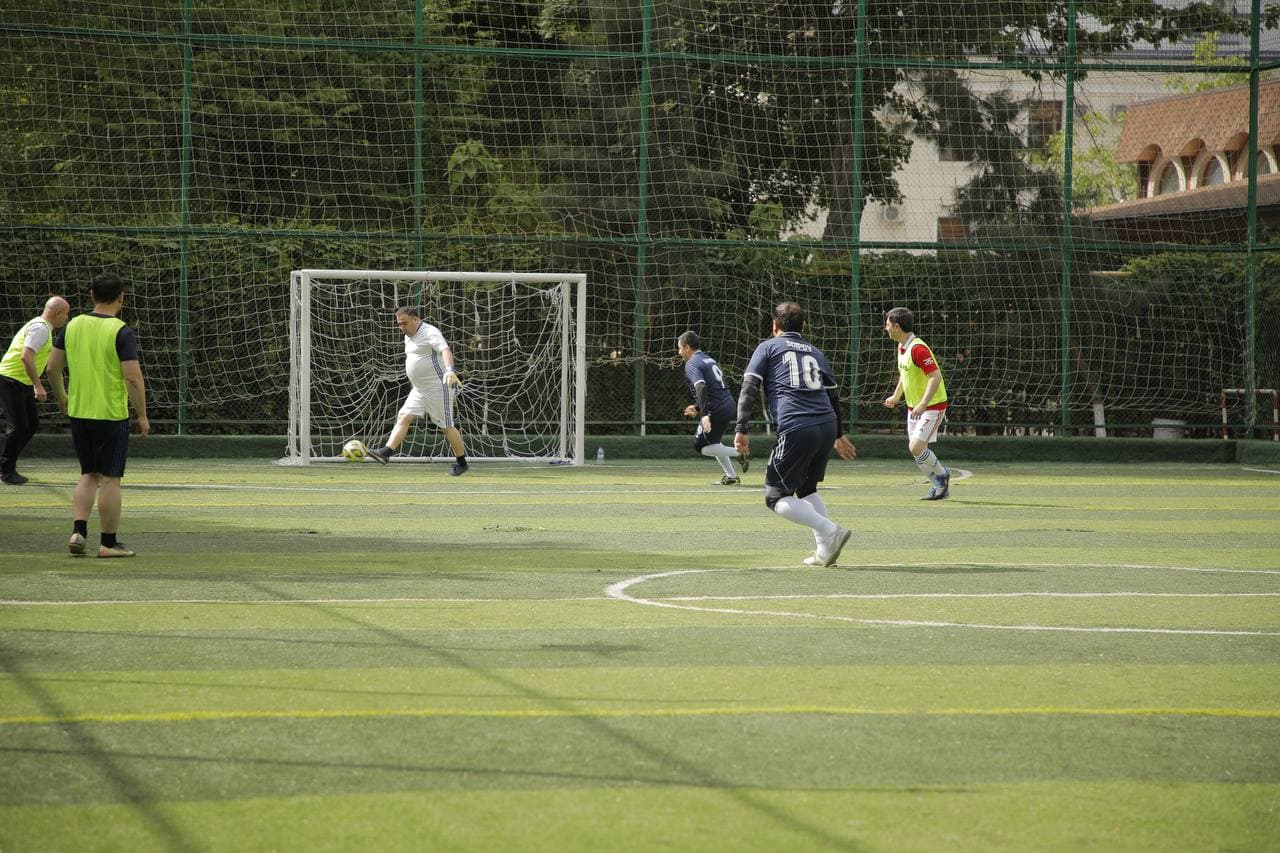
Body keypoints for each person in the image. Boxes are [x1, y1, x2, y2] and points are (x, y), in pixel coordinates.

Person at [734, 302, 857, 567]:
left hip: (797, 425)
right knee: (806, 488)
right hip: (826, 424)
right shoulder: (816, 352)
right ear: (804, 327)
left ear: (774, 326)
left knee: (775, 496)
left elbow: (749, 388)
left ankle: (830, 530)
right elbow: (834, 397)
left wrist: (741, 429)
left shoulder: (767, 347)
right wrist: (838, 434)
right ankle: (825, 551)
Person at [46, 273, 150, 558]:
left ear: (91, 295)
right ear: (122, 298)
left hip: (79, 413)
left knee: (88, 474)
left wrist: (63, 398)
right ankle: (108, 543)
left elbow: (52, 368)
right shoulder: (121, 331)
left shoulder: (73, 325)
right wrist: (142, 415)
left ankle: (78, 530)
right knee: (110, 479)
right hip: (110, 414)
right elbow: (133, 378)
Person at [366, 306, 469, 476]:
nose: (402, 327)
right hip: (420, 389)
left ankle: (462, 463)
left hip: (438, 387)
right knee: (404, 416)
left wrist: (450, 370)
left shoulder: (430, 332)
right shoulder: (409, 336)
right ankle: (385, 453)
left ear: (416, 319)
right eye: (399, 324)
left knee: (446, 426)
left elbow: (445, 350)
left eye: (404, 323)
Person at [881, 306, 951, 500]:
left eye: (887, 325)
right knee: (916, 450)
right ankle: (938, 485)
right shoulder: (902, 346)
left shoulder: (918, 348)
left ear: (896, 326)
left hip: (932, 406)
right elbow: (905, 375)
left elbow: (935, 377)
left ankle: (942, 475)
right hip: (915, 407)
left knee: (916, 447)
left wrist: (922, 403)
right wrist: (896, 397)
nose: (885, 328)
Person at [0, 295, 71, 485]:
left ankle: (6, 463)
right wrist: (37, 385)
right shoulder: (40, 328)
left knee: (31, 424)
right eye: (66, 314)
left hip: (21, 381)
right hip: (11, 379)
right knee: (18, 426)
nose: (67, 318)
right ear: (57, 313)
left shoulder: (44, 328)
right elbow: (26, 356)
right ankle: (6, 471)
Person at [678, 331, 748, 485]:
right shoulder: (708, 359)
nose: (679, 352)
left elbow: (701, 388)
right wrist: (697, 407)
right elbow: (713, 388)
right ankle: (731, 477)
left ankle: (739, 453)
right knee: (713, 442)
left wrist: (704, 415)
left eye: (680, 348)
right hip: (728, 404)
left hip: (716, 408)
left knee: (700, 446)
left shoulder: (692, 363)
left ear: (687, 347)